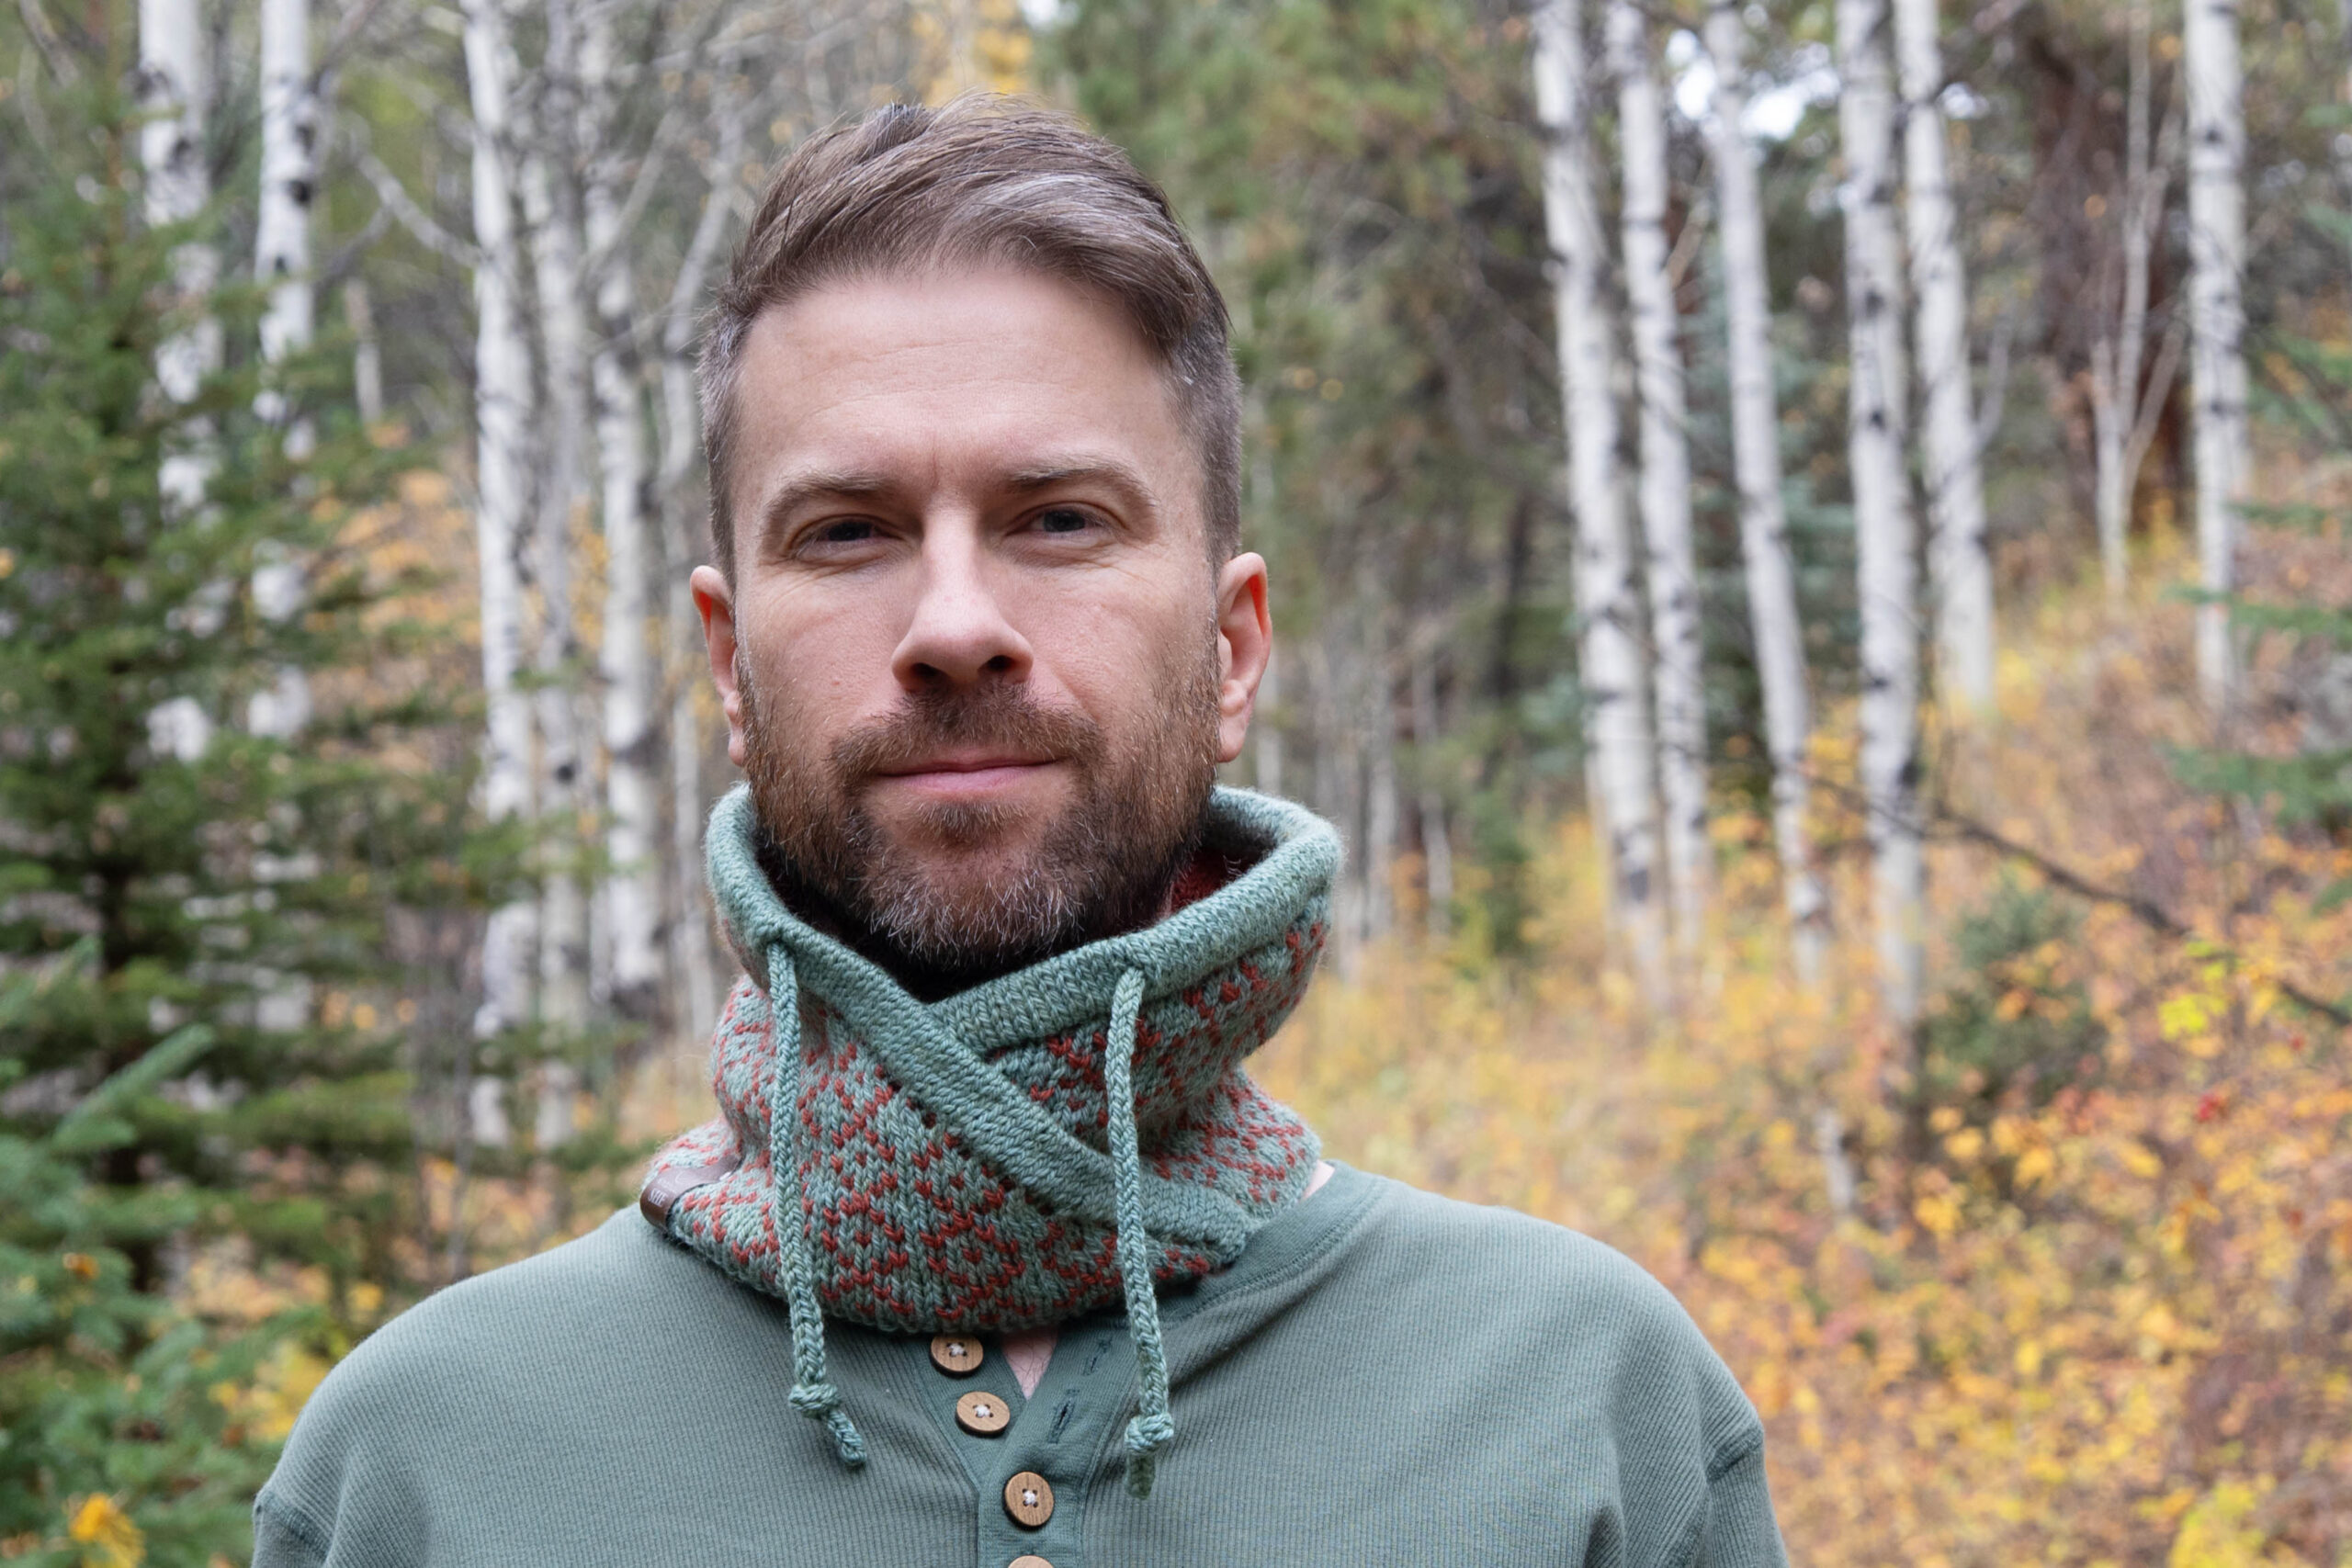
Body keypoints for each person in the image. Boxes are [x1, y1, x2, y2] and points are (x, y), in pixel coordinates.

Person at [254, 96, 1788, 1568]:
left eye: (1059, 518)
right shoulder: (422, 1465)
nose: (953, 626)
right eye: (847, 532)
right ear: (729, 666)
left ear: (1233, 651)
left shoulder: (1590, 1401)